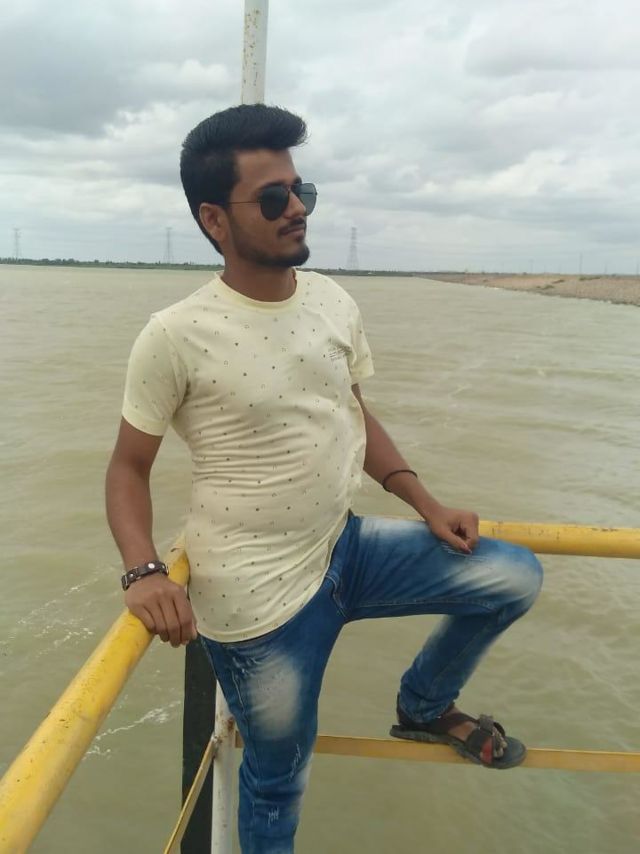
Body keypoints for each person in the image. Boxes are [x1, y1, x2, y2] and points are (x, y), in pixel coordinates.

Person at [106, 104, 543, 853]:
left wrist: (425, 502)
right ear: (214, 219)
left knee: (513, 577)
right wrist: (143, 570)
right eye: (274, 197)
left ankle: (424, 706)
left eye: (301, 190)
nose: (298, 208)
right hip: (258, 600)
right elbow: (127, 466)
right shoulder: (174, 334)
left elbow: (352, 411)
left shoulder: (333, 300)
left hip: (346, 548)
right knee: (278, 780)